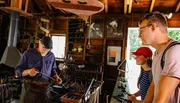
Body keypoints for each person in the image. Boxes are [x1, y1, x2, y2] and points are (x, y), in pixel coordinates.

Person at [138, 11, 180, 103]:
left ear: (153, 27)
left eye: (141, 30)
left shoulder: (174, 51)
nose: (139, 35)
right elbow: (154, 84)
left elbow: (161, 100)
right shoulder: (157, 53)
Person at [15, 36, 62, 103]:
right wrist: (28, 71)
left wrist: (56, 77)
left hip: (45, 90)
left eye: (48, 49)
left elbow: (53, 70)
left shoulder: (51, 56)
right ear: (39, 43)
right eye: (43, 47)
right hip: (30, 89)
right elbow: (17, 71)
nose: (45, 50)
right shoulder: (28, 53)